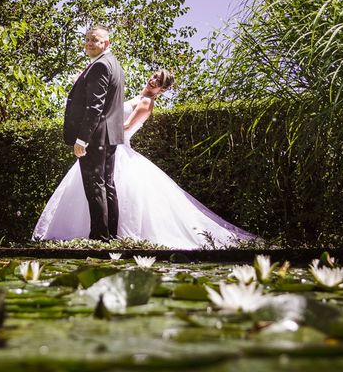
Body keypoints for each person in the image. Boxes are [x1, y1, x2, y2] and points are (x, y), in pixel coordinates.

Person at [34, 68, 257, 249]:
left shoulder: (146, 103)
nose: (153, 81)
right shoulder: (138, 96)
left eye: (158, 81)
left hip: (118, 149)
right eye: (154, 76)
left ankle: (111, 235)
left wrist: (96, 126)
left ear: (162, 89)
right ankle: (90, 234)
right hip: (107, 146)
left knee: (114, 191)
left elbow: (126, 126)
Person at [62, 25, 125, 240]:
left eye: (94, 40)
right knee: (106, 183)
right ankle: (111, 236)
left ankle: (100, 237)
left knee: (95, 185)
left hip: (96, 136)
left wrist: (82, 139)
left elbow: (94, 106)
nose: (89, 43)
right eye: (87, 39)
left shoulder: (100, 66)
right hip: (110, 136)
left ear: (105, 43)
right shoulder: (114, 64)